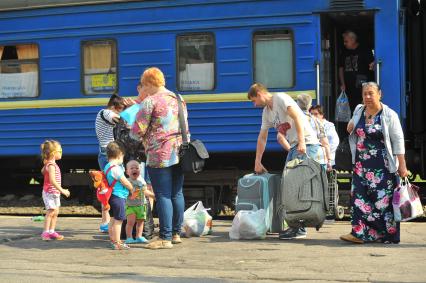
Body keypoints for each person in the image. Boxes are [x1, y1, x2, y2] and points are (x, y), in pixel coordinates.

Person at [247, 83, 324, 240]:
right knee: (289, 186)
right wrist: (257, 161)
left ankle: (299, 229)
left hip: (306, 144)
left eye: (254, 100)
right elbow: (262, 137)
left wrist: (302, 141)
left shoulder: (280, 98)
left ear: (260, 93)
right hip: (295, 146)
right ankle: (295, 226)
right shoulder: (267, 113)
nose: (254, 104)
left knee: (297, 187)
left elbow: (296, 117)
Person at [340, 82, 409, 244]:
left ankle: (386, 235)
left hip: (382, 166)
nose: (367, 97)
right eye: (365, 94)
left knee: (382, 202)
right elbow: (351, 128)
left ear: (380, 94)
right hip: (360, 165)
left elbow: (398, 141)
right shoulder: (359, 110)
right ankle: (358, 233)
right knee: (359, 198)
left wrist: (402, 165)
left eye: (371, 93)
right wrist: (351, 125)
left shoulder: (389, 114)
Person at [132, 67, 188, 249]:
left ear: (149, 83)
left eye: (144, 85)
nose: (143, 88)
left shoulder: (150, 101)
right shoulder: (178, 99)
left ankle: (165, 238)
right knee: (176, 193)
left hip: (159, 154)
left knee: (162, 194)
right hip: (180, 152)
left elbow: (137, 131)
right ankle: (176, 233)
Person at [95, 94, 125, 233]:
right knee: (110, 188)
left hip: (107, 153)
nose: (120, 113)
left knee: (107, 187)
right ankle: (107, 221)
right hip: (109, 154)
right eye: (119, 109)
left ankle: (106, 221)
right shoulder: (105, 112)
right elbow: (115, 118)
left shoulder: (104, 114)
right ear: (113, 107)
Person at [104, 141, 134, 250]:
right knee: (119, 220)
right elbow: (124, 181)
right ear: (119, 154)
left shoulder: (107, 166)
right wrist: (132, 188)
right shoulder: (116, 168)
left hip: (111, 196)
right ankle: (118, 242)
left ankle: (112, 240)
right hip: (118, 197)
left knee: (112, 219)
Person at [40, 140, 70, 241]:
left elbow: (42, 171)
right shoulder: (51, 165)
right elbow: (52, 181)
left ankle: (52, 231)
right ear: (53, 153)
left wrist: (45, 166)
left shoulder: (51, 164)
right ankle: (45, 233)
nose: (61, 152)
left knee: (55, 212)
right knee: (50, 212)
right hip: (49, 192)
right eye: (60, 151)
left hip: (54, 193)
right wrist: (63, 190)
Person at [338, 30, 375, 112]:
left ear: (353, 40)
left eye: (346, 41)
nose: (344, 44)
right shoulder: (344, 52)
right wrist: (342, 83)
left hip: (362, 88)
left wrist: (373, 65)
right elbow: (341, 68)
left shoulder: (365, 50)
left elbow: (372, 66)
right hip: (348, 88)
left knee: (363, 109)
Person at [296, 93, 331, 170]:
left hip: (300, 157)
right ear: (310, 106)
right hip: (319, 158)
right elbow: (325, 143)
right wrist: (329, 161)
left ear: (297, 105)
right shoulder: (317, 121)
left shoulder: (294, 119)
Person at [124, 160, 155, 244]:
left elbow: (145, 191)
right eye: (132, 168)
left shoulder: (142, 181)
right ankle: (129, 237)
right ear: (127, 172)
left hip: (141, 205)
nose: (135, 169)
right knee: (130, 222)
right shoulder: (127, 181)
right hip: (130, 206)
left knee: (140, 222)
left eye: (137, 168)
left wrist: (153, 196)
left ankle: (139, 236)